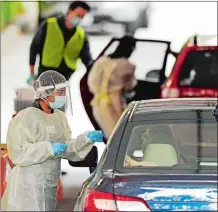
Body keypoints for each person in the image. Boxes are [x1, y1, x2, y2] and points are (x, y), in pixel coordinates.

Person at [1, 70, 103, 211]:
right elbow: (18, 153)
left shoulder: (59, 117)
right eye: (59, 92)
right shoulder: (25, 118)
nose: (63, 96)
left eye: (63, 92)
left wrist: (86, 139)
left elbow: (67, 148)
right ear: (45, 93)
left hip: (49, 184)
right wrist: (48, 148)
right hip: (27, 186)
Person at [28, 1, 93, 84]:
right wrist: (32, 73)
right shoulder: (48, 25)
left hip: (65, 76)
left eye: (82, 16)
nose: (79, 18)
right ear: (70, 11)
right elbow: (34, 48)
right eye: (78, 15)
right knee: (45, 96)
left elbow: (87, 58)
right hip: (46, 74)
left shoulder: (81, 35)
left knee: (59, 97)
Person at [88, 35, 137, 139]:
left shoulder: (101, 61)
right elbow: (130, 86)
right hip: (116, 104)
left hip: (98, 104)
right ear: (131, 49)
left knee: (110, 137)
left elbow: (91, 82)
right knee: (121, 136)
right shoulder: (128, 66)